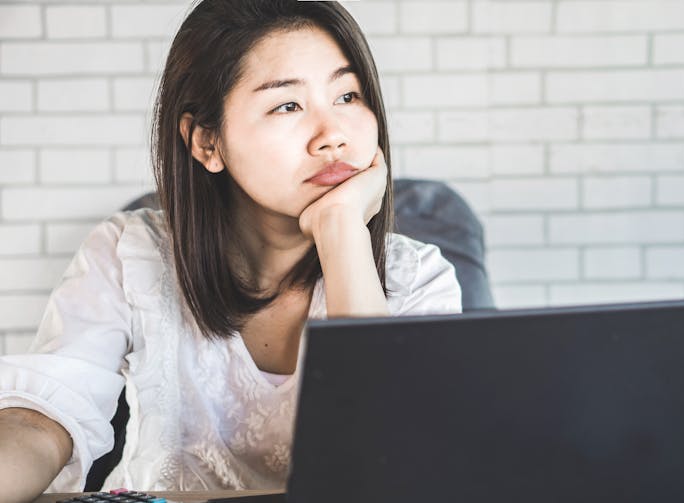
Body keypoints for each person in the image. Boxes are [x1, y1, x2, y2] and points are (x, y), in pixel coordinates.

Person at [0, 0, 461, 500]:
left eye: (348, 95)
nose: (333, 137)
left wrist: (342, 229)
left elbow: (397, 464)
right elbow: (41, 420)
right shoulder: (129, 253)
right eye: (288, 104)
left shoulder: (418, 279)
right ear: (206, 143)